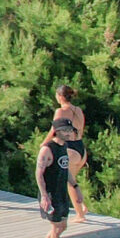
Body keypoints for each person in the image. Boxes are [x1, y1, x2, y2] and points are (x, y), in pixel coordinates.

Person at [31, 120, 82, 238]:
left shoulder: (63, 148)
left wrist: (75, 186)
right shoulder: (47, 149)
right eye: (64, 130)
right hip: (51, 195)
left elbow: (65, 170)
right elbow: (39, 174)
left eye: (69, 130)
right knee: (56, 227)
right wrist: (44, 196)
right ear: (56, 131)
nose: (68, 133)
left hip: (62, 193)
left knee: (62, 226)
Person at [51, 86, 92, 221]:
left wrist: (45, 144)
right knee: (72, 180)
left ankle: (80, 215)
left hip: (70, 149)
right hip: (80, 147)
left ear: (61, 97)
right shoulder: (78, 110)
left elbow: (53, 130)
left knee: (69, 182)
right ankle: (83, 207)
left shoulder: (61, 111)